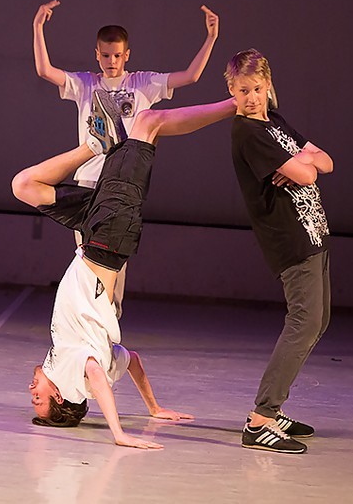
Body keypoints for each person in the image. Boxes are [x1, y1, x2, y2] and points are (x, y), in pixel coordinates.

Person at [13, 89, 237, 449]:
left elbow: (132, 361)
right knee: (149, 122)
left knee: (24, 186)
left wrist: (154, 408)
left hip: (96, 231)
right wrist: (118, 433)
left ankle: (96, 145)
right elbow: (95, 374)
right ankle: (234, 106)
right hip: (108, 235)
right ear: (59, 397)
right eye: (37, 400)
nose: (31, 391)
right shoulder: (72, 380)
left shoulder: (72, 361)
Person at [32, 0, 220, 317]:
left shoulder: (143, 83)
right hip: (88, 184)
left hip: (121, 187)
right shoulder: (85, 84)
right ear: (97, 54)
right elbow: (44, 70)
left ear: (127, 55)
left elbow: (190, 76)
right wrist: (38, 27)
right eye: (106, 55)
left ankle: (109, 331)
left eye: (117, 55)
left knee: (113, 266)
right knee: (86, 262)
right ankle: (87, 327)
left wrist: (211, 38)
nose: (111, 61)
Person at [226, 48, 334, 454]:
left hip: (314, 234)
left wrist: (302, 159)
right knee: (304, 322)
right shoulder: (248, 134)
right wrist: (304, 161)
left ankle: (274, 408)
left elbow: (327, 161)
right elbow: (307, 172)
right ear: (232, 91)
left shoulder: (274, 122)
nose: (251, 98)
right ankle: (261, 419)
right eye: (243, 91)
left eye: (257, 89)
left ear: (268, 85)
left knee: (318, 321)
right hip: (290, 240)